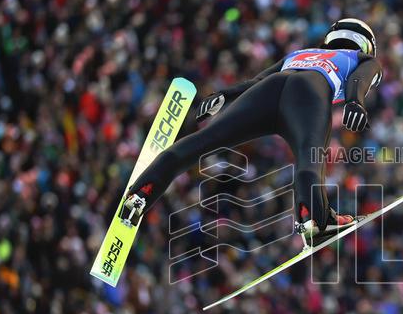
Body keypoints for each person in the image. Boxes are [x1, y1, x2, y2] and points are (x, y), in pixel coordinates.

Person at [120, 18, 382, 245]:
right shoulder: (362, 58)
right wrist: (355, 102)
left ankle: (141, 191)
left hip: (267, 90)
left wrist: (224, 95)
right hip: (309, 93)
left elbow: (256, 81)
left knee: (204, 141)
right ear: (366, 43)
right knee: (308, 158)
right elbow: (360, 79)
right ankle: (314, 220)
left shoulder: (301, 53)